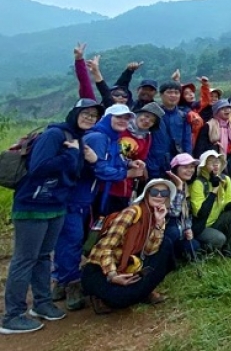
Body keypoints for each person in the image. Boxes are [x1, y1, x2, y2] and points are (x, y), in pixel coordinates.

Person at [1, 99, 102, 335]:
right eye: (85, 113)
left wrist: (88, 160)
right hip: (32, 205)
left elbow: (73, 173)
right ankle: (12, 316)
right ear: (74, 113)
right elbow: (39, 167)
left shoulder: (78, 138)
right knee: (25, 258)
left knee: (44, 256)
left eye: (93, 115)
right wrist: (70, 156)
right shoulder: (55, 135)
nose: (89, 118)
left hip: (57, 204)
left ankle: (42, 303)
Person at [55, 104, 142, 312]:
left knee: (77, 239)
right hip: (75, 198)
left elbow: (111, 163)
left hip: (87, 199)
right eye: (118, 117)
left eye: (126, 118)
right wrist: (126, 174)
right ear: (107, 118)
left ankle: (60, 282)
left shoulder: (112, 139)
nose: (123, 121)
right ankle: (70, 284)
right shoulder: (98, 138)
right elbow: (100, 171)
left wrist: (129, 165)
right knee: (73, 240)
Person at [80, 178, 175, 314]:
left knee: (166, 244)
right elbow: (105, 247)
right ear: (146, 194)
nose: (159, 196)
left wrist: (159, 223)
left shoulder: (156, 216)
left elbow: (150, 250)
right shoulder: (132, 213)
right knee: (121, 299)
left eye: (164, 193)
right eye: (154, 192)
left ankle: (142, 291)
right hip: (102, 268)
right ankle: (99, 295)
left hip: (129, 266)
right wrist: (112, 275)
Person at [102, 102, 163, 216]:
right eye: (146, 116)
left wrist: (139, 165)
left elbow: (141, 158)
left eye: (152, 120)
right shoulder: (120, 128)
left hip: (126, 185)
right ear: (137, 115)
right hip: (106, 181)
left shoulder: (147, 137)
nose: (147, 121)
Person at [190, 150, 231, 259]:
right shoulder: (198, 183)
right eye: (211, 162)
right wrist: (214, 191)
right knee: (219, 239)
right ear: (203, 166)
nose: (215, 164)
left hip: (217, 220)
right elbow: (200, 213)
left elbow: (229, 203)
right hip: (202, 226)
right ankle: (200, 251)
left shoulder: (225, 179)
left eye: (217, 161)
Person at [147, 81, 192, 179]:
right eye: (169, 92)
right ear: (161, 94)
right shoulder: (152, 115)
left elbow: (187, 141)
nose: (173, 95)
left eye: (176, 93)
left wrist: (187, 163)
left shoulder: (183, 116)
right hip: (154, 164)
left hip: (176, 165)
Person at [164, 153, 200, 262]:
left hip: (180, 229)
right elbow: (173, 212)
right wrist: (179, 188)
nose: (190, 170)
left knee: (194, 245)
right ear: (175, 169)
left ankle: (176, 254)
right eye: (185, 167)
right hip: (166, 229)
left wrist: (188, 228)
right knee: (173, 232)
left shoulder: (187, 186)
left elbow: (187, 214)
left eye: (192, 167)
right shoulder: (166, 186)